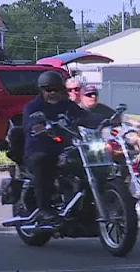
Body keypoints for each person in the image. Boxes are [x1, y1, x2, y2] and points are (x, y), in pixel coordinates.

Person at [22, 71, 103, 226]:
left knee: (93, 162)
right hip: (40, 148)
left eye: (56, 89)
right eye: (48, 90)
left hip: (65, 148)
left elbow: (84, 116)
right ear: (41, 90)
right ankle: (45, 208)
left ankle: (91, 204)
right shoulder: (33, 107)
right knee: (43, 162)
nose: (52, 93)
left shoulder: (66, 105)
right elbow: (29, 124)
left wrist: (103, 120)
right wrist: (37, 126)